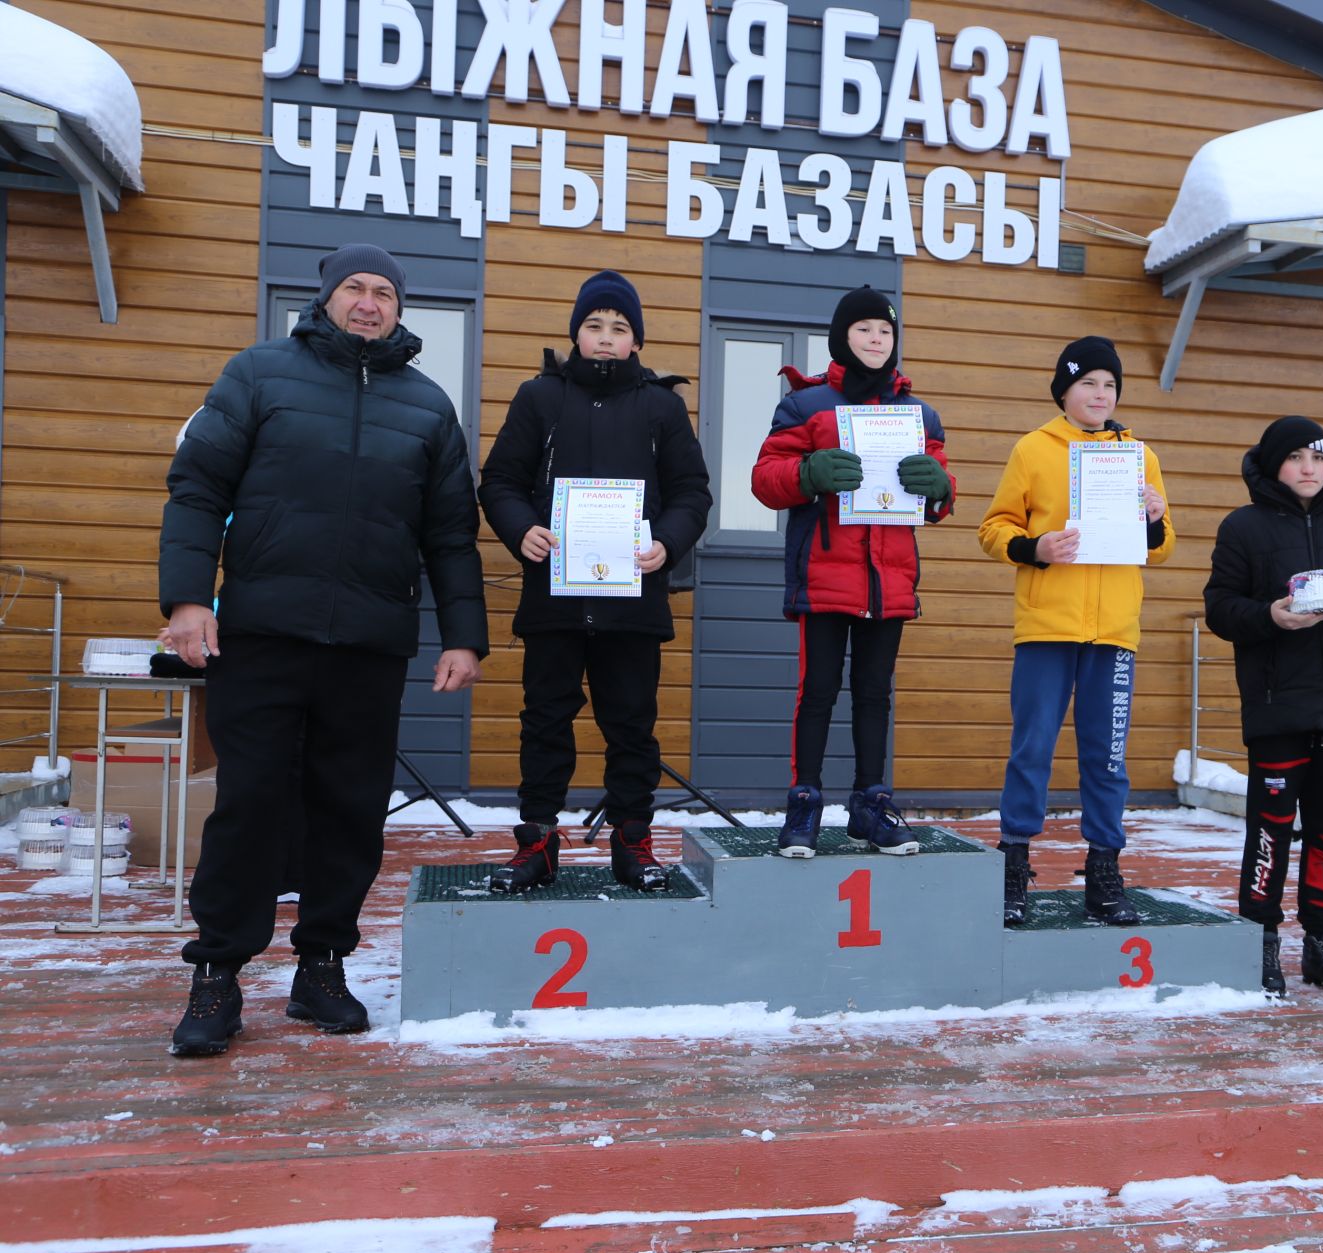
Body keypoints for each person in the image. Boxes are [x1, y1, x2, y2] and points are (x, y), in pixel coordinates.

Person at [158, 243, 487, 1056]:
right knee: (250, 806)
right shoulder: (258, 375)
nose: (369, 303)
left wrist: (464, 636)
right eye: (355, 289)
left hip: (369, 645)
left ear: (399, 309)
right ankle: (218, 977)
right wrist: (191, 599)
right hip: (264, 633)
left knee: (349, 811)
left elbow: (450, 535)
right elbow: (198, 489)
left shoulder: (428, 407)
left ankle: (322, 968)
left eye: (384, 291)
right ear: (326, 299)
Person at [478, 270, 712, 894]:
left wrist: (666, 541)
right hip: (553, 597)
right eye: (594, 326)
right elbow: (499, 480)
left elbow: (693, 492)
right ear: (576, 334)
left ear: (636, 341)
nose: (606, 339)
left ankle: (633, 843)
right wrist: (521, 528)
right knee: (544, 721)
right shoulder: (539, 398)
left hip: (631, 600)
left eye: (619, 329)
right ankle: (537, 844)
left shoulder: (661, 405)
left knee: (632, 724)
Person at [751, 286, 955, 857]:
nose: (875, 340)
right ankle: (804, 807)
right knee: (817, 692)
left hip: (888, 581)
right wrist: (808, 472)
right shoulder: (807, 405)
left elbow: (938, 495)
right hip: (823, 574)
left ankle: (871, 806)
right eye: (865, 330)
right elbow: (766, 478)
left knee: (874, 695)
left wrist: (940, 490)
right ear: (843, 337)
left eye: (885, 332)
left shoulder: (920, 415)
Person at [979, 337, 1174, 928]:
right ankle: (1014, 864)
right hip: (1047, 626)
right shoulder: (1034, 450)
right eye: (1088, 382)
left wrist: (1157, 518)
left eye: (1109, 385)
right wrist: (1034, 547)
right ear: (1064, 389)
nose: (1100, 394)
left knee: (1107, 758)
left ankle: (1104, 870)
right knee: (1032, 748)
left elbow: (1161, 550)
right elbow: (994, 528)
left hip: (1113, 631)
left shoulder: (1138, 455)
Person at [1202, 416, 1323, 998]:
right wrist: (1271, 617)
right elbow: (1220, 608)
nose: (1309, 468)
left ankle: (1321, 946)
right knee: (1270, 834)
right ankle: (1260, 942)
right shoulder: (1244, 527)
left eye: (1318, 457)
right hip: (1278, 706)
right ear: (1273, 464)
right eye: (1296, 457)